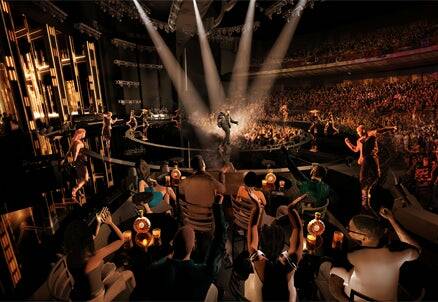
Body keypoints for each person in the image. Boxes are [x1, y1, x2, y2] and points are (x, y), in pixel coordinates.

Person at [144, 191, 227, 300]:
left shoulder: (154, 269)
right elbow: (220, 241)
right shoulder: (203, 273)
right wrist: (217, 207)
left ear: (172, 244)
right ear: (193, 247)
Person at [328, 208, 421, 301]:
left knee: (324, 268)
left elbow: (334, 288)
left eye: (350, 229)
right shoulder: (396, 249)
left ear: (363, 237)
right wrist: (392, 220)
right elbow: (416, 248)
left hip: (355, 298)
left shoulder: (350, 256)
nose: (347, 230)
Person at [64, 207, 136, 301]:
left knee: (108, 269)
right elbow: (121, 240)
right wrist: (110, 222)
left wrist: (98, 223)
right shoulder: (95, 257)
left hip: (80, 295)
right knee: (129, 273)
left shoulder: (70, 257)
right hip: (97, 298)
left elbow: (92, 237)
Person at [246, 195, 303, 302]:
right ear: (283, 245)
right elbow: (298, 228)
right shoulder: (290, 261)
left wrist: (257, 207)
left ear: (261, 245)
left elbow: (252, 226)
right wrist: (291, 209)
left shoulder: (258, 259)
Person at [344, 125, 397, 211]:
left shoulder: (370, 134)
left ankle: (370, 192)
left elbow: (381, 130)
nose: (358, 133)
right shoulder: (359, 140)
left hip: (372, 158)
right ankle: (364, 198)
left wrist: (391, 128)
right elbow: (355, 149)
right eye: (357, 132)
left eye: (359, 131)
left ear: (363, 130)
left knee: (376, 176)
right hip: (365, 160)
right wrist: (348, 143)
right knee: (363, 179)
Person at [64, 128, 89, 201]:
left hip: (78, 161)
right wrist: (74, 161)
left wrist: (65, 159)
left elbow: (68, 151)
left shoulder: (73, 141)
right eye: (84, 133)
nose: (85, 135)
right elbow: (76, 152)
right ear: (81, 134)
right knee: (85, 178)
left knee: (81, 177)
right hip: (80, 161)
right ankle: (75, 189)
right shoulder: (79, 143)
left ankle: (77, 190)